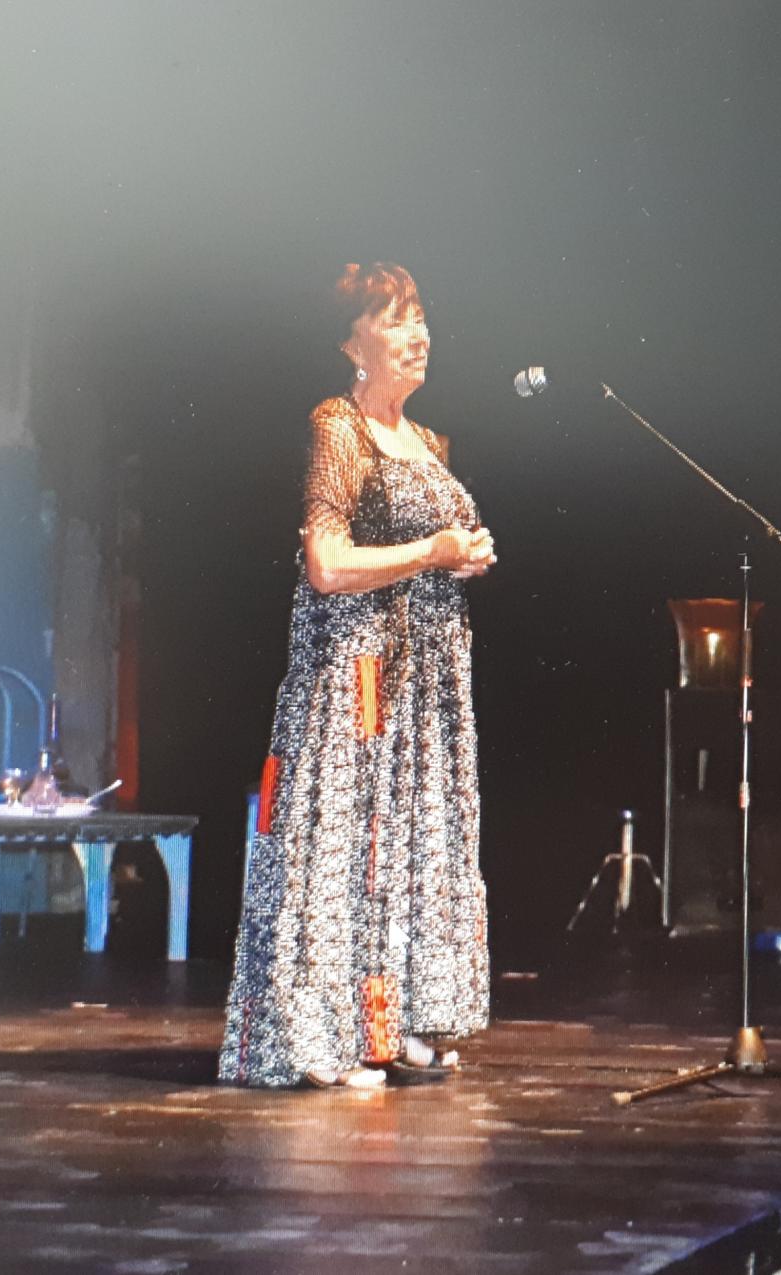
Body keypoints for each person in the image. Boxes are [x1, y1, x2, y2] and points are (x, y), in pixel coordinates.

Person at [219, 263, 496, 1088]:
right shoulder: (338, 427)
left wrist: (465, 555)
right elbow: (328, 563)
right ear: (351, 342)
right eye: (396, 319)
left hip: (425, 683)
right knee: (343, 840)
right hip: (357, 672)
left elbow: (436, 546)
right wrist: (433, 550)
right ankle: (319, 1039)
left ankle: (391, 1023)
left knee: (406, 844)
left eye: (421, 318)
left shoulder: (429, 442)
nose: (418, 335)